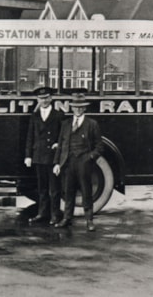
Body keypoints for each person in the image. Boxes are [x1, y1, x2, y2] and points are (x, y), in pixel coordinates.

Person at [53, 93, 104, 232]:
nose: (78, 110)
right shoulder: (65, 124)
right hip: (68, 162)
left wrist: (89, 157)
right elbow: (61, 144)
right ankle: (67, 218)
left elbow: (99, 146)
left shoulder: (92, 124)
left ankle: (89, 220)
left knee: (86, 192)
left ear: (84, 109)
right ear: (72, 108)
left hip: (84, 163)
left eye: (81, 107)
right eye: (75, 107)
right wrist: (57, 163)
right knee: (68, 191)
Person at [24, 86, 65, 225]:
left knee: (54, 188)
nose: (44, 100)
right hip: (39, 155)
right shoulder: (34, 116)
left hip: (53, 156)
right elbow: (30, 136)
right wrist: (28, 155)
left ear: (51, 98)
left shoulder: (58, 115)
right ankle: (42, 214)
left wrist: (58, 145)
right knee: (42, 188)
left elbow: (63, 135)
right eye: (41, 98)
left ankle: (55, 215)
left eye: (47, 97)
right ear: (37, 100)